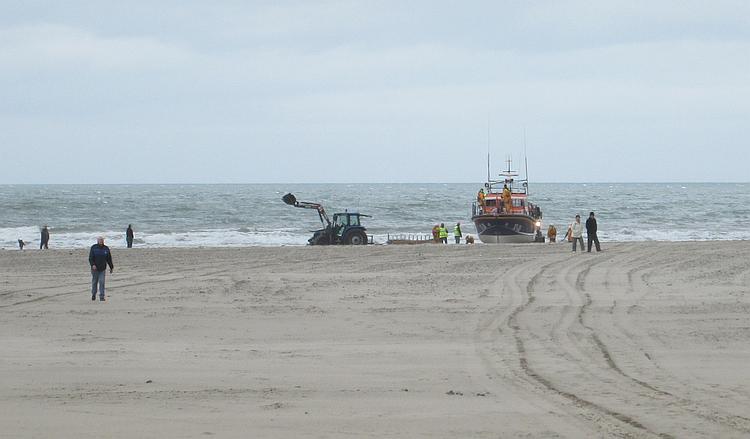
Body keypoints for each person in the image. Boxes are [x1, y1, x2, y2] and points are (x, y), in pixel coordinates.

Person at [89, 237, 114, 301]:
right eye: (100, 240)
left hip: (102, 268)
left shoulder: (106, 248)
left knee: (102, 282)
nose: (101, 241)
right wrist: (93, 265)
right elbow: (90, 258)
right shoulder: (94, 248)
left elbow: (109, 259)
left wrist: (111, 267)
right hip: (95, 269)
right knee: (94, 282)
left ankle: (102, 296)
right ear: (97, 241)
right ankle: (93, 294)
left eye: (102, 240)